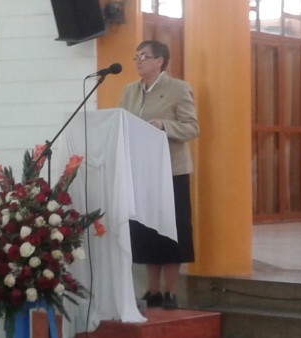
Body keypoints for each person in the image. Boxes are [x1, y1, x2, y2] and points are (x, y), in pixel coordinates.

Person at [119, 40, 199, 310]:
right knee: (147, 231)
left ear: (160, 61)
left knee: (171, 231)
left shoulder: (178, 89)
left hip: (172, 172)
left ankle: (172, 292)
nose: (138, 61)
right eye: (136, 56)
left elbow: (191, 128)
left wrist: (164, 125)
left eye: (144, 56)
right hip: (142, 172)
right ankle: (152, 292)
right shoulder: (130, 91)